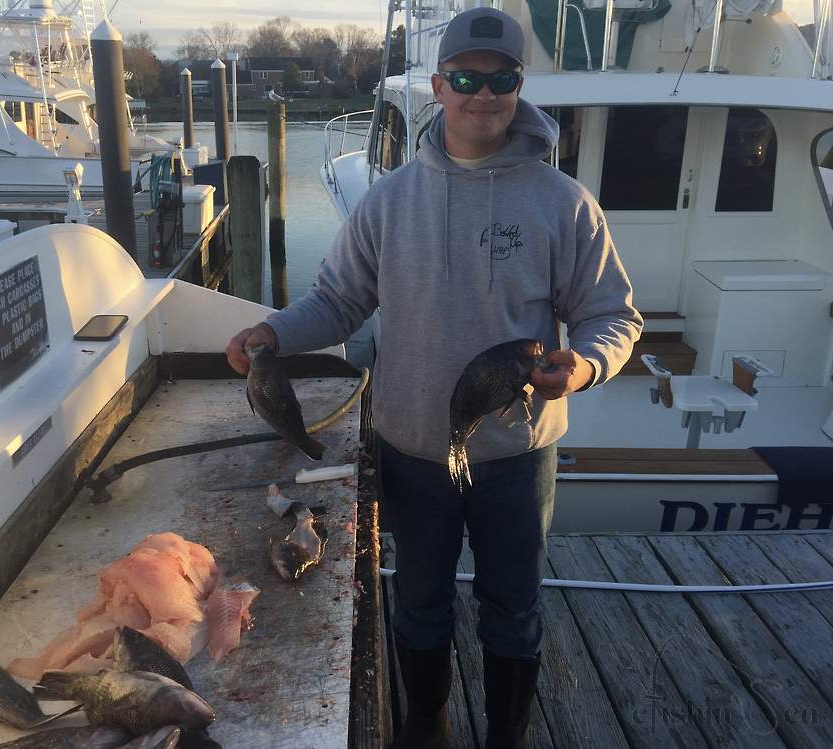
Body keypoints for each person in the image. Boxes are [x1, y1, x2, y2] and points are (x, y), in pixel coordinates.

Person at [226, 7, 642, 748]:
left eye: (501, 78)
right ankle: (427, 722)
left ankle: (507, 732)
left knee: (513, 605)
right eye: (465, 78)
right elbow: (337, 301)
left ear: (520, 85)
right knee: (418, 601)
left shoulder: (564, 204)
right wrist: (272, 333)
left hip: (517, 455)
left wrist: (582, 366)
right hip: (413, 449)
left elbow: (616, 318)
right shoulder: (387, 202)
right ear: (437, 85)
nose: (483, 94)